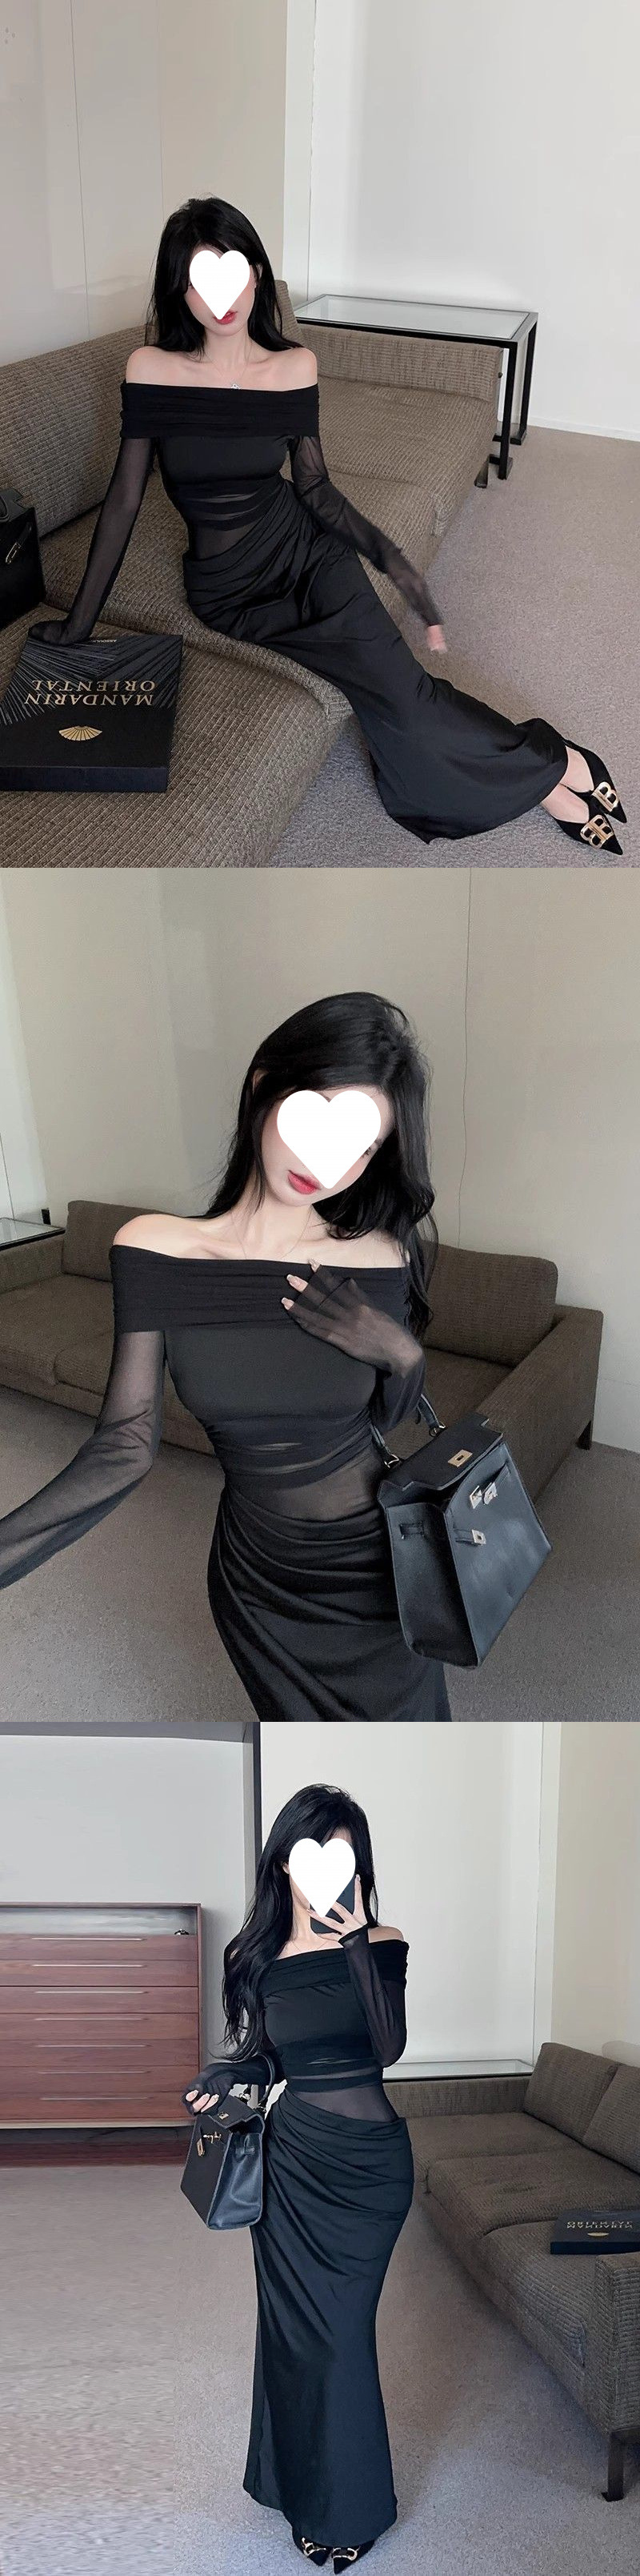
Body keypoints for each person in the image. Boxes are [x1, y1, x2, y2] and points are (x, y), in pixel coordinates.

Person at [30, 196, 625, 855]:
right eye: (200, 282)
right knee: (392, 692)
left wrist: (394, 561)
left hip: (307, 554)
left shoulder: (293, 367)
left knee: (403, 692)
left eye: (233, 274)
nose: (221, 300)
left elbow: (314, 487)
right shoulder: (152, 371)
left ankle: (553, 773)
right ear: (180, 292)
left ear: (256, 274)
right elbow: (123, 502)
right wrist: (79, 625)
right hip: (229, 594)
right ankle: (556, 768)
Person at [0, 991, 450, 1722]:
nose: (329, 1163)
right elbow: (123, 1445)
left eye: (361, 1147)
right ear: (264, 1084)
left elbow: (385, 1422)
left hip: (375, 1571)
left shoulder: (378, 1257)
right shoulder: (153, 1249)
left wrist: (402, 1353)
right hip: (258, 1579)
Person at [186, 1781, 414, 2566]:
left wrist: (353, 1944)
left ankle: (350, 2509)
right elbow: (271, 2058)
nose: (327, 1874)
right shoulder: (254, 1957)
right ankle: (299, 2490)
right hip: (293, 2165)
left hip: (369, 2169)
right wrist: (229, 2072)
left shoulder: (382, 1941)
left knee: (341, 2337)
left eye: (345, 1858)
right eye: (315, 1856)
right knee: (294, 2337)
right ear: (285, 1862)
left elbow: (387, 2047)